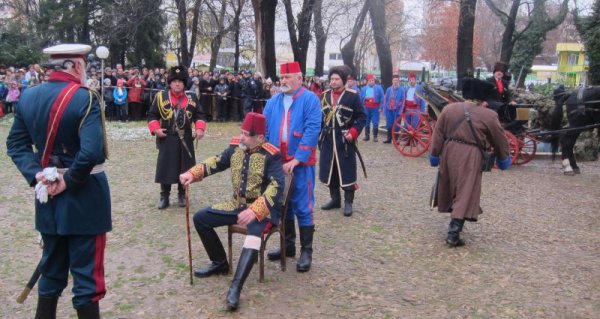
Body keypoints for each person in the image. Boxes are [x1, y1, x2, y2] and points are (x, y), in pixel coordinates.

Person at [6, 43, 111, 318]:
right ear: (75, 66)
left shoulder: (28, 97)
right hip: (85, 197)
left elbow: (15, 144)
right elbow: (91, 152)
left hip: (46, 196)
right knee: (88, 280)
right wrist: (69, 180)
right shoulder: (85, 97)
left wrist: (36, 175)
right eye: (83, 66)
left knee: (51, 274)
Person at [179, 112, 285, 311]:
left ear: (260, 138)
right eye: (242, 132)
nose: (242, 137)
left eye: (247, 134)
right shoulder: (236, 148)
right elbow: (216, 162)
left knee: (253, 237)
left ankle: (235, 288)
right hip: (236, 205)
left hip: (263, 210)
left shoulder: (272, 155)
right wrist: (192, 173)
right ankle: (220, 262)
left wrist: (256, 210)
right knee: (201, 218)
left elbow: (277, 187)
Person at [428, 78, 511, 247]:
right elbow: (499, 139)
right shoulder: (488, 115)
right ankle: (453, 232)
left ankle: (455, 221)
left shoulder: (449, 109)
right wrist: (503, 158)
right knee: (466, 190)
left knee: (451, 187)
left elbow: (438, 133)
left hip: (449, 151)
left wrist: (434, 154)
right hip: (471, 154)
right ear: (482, 97)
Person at [263, 61, 321, 272]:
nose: (283, 81)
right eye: (282, 77)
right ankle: (287, 246)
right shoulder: (273, 102)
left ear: (299, 78)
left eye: (288, 77)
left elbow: (312, 130)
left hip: (301, 163)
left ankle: (306, 251)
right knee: (281, 203)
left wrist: (297, 159)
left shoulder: (311, 100)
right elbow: (266, 130)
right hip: (278, 162)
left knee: (303, 205)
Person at [147, 66, 206, 209]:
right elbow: (152, 115)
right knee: (166, 166)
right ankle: (164, 196)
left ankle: (182, 194)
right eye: (174, 81)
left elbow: (200, 115)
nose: (177, 84)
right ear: (170, 83)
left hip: (185, 137)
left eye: (180, 81)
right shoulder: (161, 97)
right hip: (167, 136)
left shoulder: (192, 97)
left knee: (184, 166)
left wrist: (199, 128)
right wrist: (156, 130)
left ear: (185, 83)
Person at [318, 65, 366, 217]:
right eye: (331, 79)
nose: (333, 81)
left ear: (344, 80)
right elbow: (320, 118)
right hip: (328, 139)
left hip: (345, 140)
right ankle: (335, 199)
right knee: (330, 170)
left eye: (336, 79)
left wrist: (353, 132)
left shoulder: (353, 96)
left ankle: (348, 202)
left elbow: (361, 117)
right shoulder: (324, 95)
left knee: (346, 170)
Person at [486, 61, 517, 125]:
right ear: (494, 72)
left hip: (501, 103)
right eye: (497, 71)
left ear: (503, 73)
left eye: (501, 71)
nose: (499, 73)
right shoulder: (488, 81)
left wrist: (511, 101)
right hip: (491, 102)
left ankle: (513, 124)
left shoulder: (505, 83)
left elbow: (508, 95)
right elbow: (484, 93)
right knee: (502, 106)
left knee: (514, 106)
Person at [359, 74, 384, 142]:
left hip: (375, 108)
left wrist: (381, 107)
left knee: (375, 122)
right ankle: (367, 136)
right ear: (367, 81)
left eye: (373, 80)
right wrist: (361, 108)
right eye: (370, 80)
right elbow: (360, 99)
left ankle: (375, 137)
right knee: (366, 122)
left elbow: (382, 98)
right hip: (366, 108)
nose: (372, 82)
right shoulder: (364, 89)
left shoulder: (379, 88)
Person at [382, 75, 404, 144]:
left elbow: (403, 101)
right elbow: (385, 100)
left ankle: (395, 140)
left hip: (397, 110)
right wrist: (384, 110)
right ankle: (389, 139)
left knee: (397, 125)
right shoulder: (388, 89)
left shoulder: (402, 90)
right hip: (389, 110)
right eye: (394, 80)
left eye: (397, 80)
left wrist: (401, 111)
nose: (395, 82)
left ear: (398, 81)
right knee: (389, 125)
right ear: (392, 81)